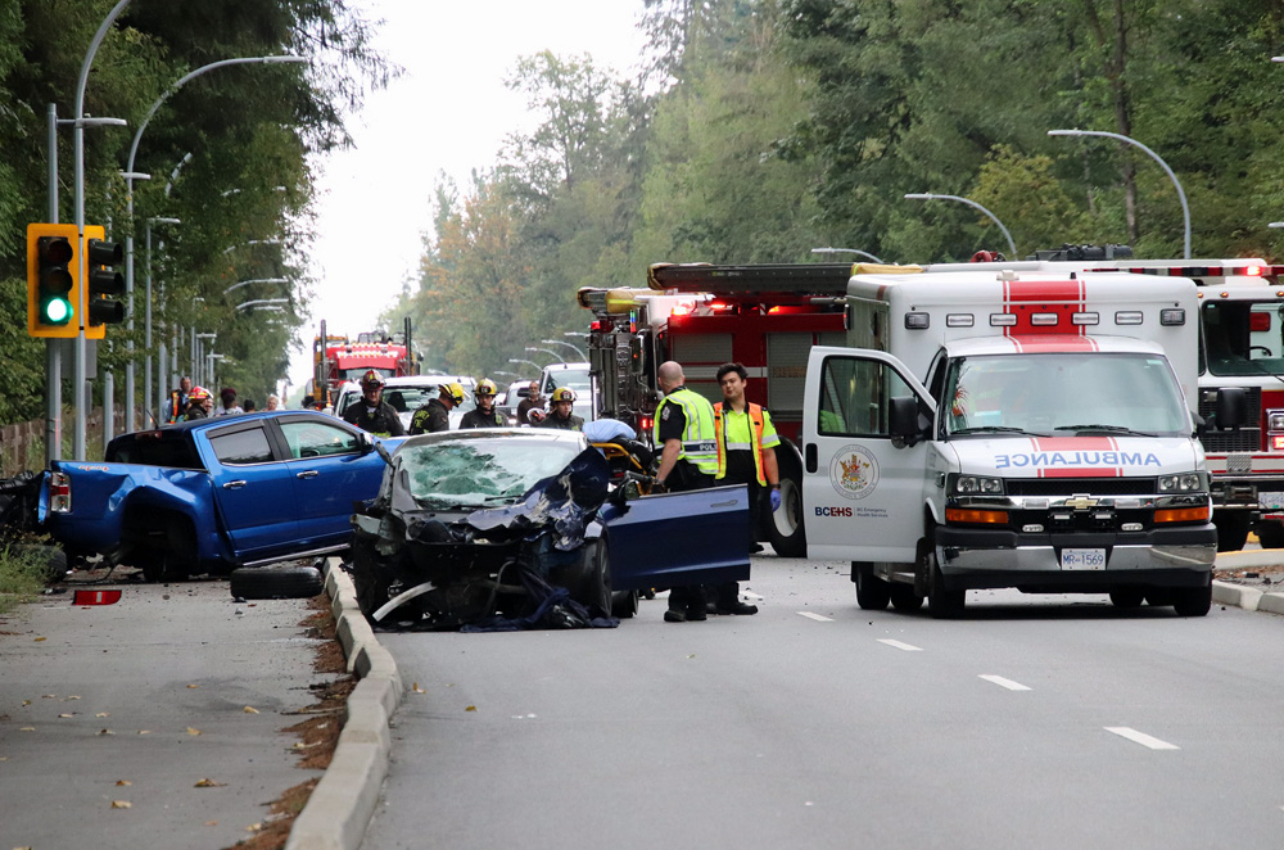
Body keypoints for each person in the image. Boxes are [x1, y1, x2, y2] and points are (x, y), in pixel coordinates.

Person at [710, 361, 782, 615]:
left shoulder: (759, 415)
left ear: (744, 383)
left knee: (739, 544)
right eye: (724, 383)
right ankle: (718, 597)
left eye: (732, 381)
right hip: (722, 486)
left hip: (750, 488)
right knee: (721, 543)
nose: (728, 386)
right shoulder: (715, 413)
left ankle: (727, 597)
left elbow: (769, 453)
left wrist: (775, 487)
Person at [652, 361, 719, 623]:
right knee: (695, 543)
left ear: (661, 382)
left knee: (680, 543)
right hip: (706, 479)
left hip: (685, 480)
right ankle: (692, 606)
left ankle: (684, 604)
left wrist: (659, 480)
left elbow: (673, 446)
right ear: (683, 378)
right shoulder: (702, 401)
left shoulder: (672, 405)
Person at [342, 370, 405, 437]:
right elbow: (344, 435)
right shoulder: (352, 412)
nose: (373, 394)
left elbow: (400, 435)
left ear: (380, 391)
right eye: (370, 391)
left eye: (376, 391)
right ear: (364, 391)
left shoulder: (389, 411)